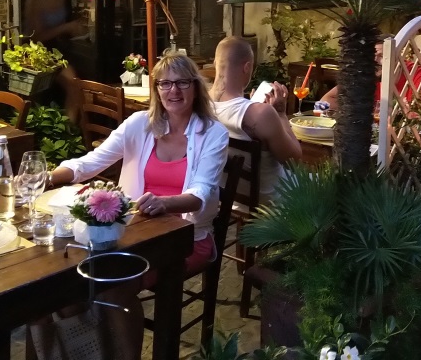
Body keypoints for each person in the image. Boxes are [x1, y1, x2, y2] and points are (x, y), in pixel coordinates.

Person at [48, 52, 228, 359]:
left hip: (187, 238)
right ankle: (92, 351)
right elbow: (92, 162)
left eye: (182, 83)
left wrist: (164, 203)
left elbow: (201, 192)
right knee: (67, 278)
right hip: (133, 231)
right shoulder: (139, 124)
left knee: (114, 284)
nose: (174, 90)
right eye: (165, 83)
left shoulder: (213, 133)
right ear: (156, 89)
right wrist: (48, 177)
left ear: (196, 87)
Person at [210, 36, 302, 200]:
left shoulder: (201, 104)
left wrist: (252, 104)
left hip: (227, 198)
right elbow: (294, 162)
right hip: (273, 200)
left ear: (215, 63)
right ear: (247, 67)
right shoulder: (261, 114)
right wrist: (281, 114)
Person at [23, 0, 86, 121]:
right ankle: (66, 127)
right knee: (73, 84)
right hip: (41, 52)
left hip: (61, 48)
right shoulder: (34, 2)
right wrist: (65, 28)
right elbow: (36, 37)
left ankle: (71, 125)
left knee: (76, 85)